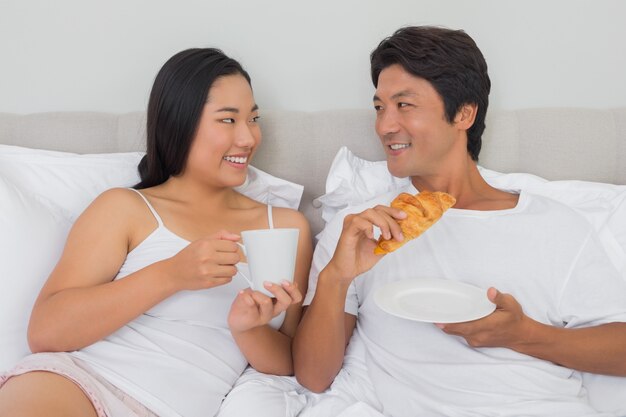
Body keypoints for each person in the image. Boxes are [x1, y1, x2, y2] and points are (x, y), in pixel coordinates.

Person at [293, 26, 626, 417]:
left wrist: (526, 335)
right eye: (380, 107)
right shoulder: (361, 232)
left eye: (405, 105)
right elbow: (314, 377)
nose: (384, 126)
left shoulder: (554, 223)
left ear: (464, 113)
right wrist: (337, 277)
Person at [0, 48, 312, 417]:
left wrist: (247, 330)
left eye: (253, 118)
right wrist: (171, 274)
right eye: (228, 120)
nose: (248, 138)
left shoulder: (286, 227)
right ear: (178, 123)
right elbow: (46, 332)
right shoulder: (125, 208)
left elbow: (288, 361)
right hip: (80, 384)